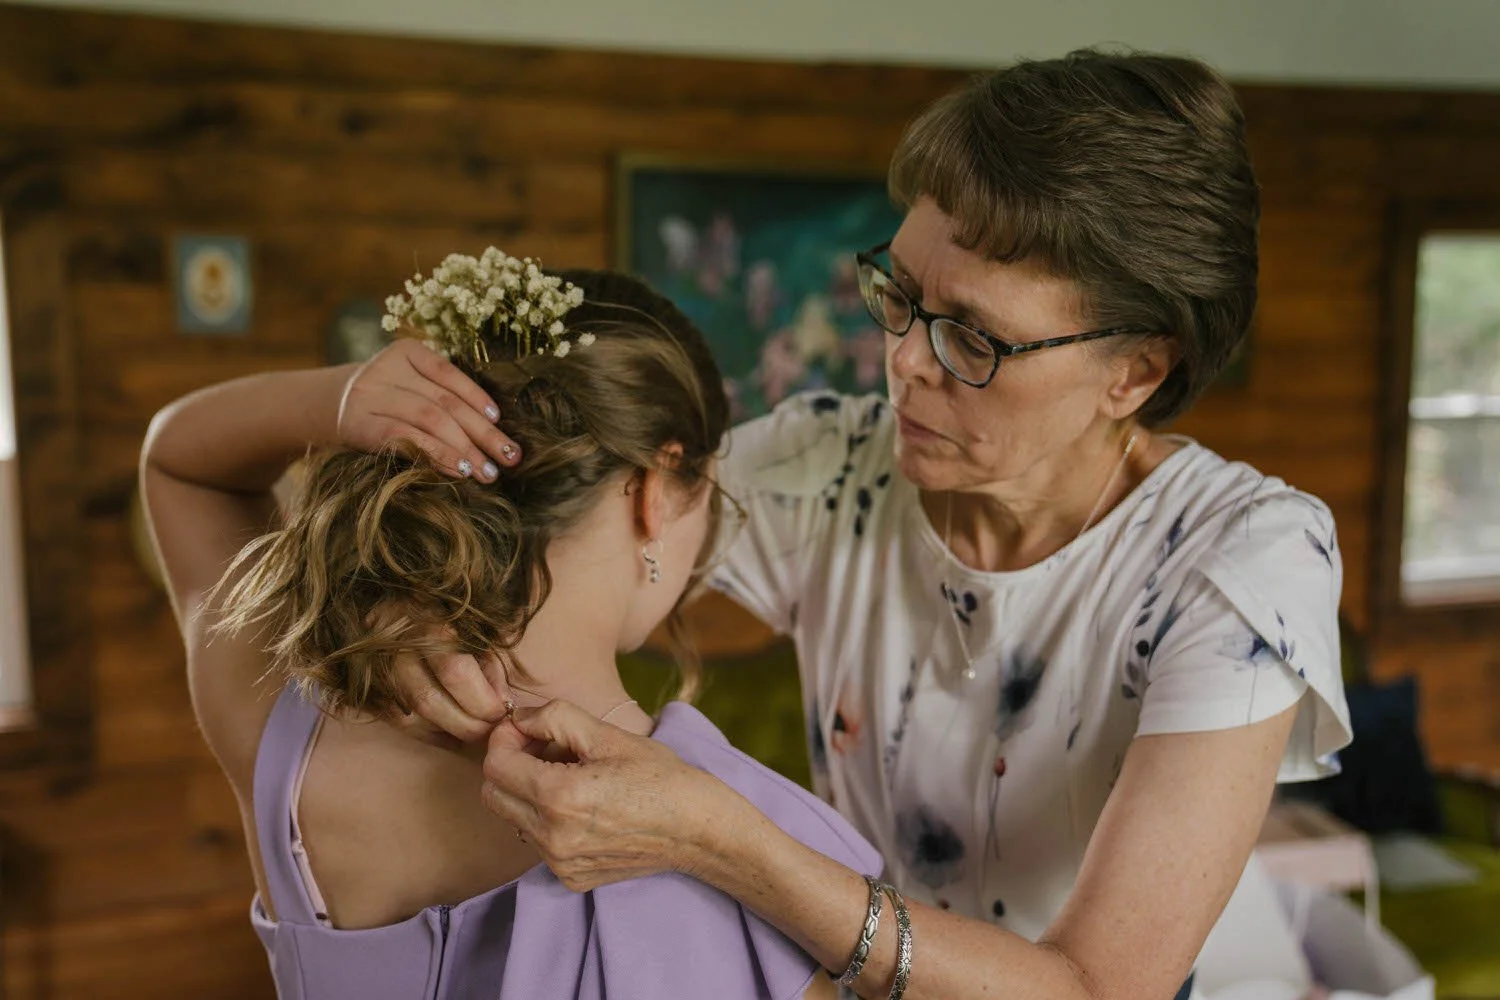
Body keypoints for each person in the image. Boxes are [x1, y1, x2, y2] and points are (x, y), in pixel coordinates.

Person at [394, 51, 1356, 1000]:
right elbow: (555, 521)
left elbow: (1096, 989)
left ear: (1137, 372)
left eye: (972, 337)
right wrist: (423, 616)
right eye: (898, 296)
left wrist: (718, 835)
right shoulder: (830, 471)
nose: (901, 362)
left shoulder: (1239, 564)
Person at [138, 255, 880, 999]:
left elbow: (179, 466)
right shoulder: (739, 846)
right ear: (654, 491)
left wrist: (345, 397)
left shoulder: (279, 706)